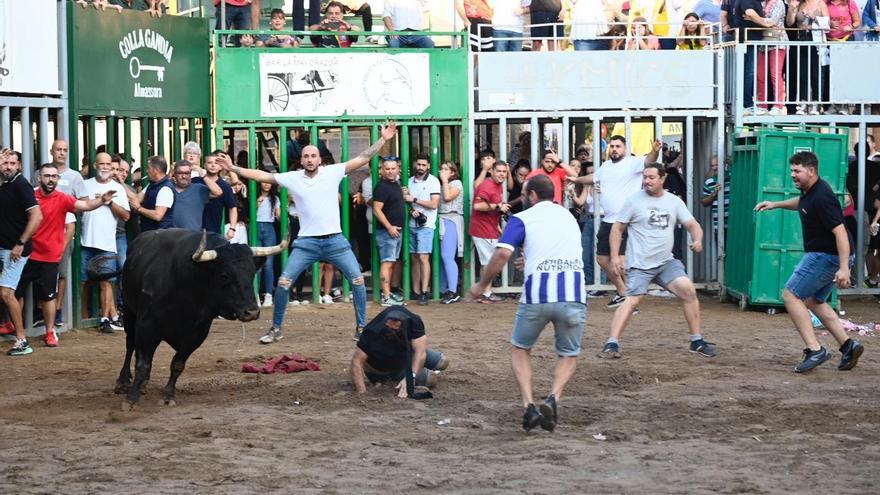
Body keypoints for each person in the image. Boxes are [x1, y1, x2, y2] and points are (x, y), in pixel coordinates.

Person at [219, 122, 398, 344]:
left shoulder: (332, 172)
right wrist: (234, 169)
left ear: (319, 159)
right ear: (301, 160)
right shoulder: (293, 177)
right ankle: (276, 328)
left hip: (335, 240)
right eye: (306, 156)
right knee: (284, 283)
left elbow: (362, 158)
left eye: (314, 156)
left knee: (358, 281)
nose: (310, 159)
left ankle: (361, 328)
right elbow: (262, 176)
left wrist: (383, 140)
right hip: (306, 242)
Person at [467, 175, 587, 432]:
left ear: (532, 195)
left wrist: (481, 284)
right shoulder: (568, 217)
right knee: (569, 352)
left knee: (520, 348)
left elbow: (501, 254)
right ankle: (553, 397)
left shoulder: (522, 218)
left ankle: (529, 404)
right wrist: (529, 258)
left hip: (538, 296)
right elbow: (558, 248)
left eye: (523, 194)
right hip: (573, 294)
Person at [755, 151, 864, 373]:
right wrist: (775, 204)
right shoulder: (810, 192)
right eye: (792, 170)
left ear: (811, 171)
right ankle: (848, 345)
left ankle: (815, 349)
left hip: (826, 255)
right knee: (814, 301)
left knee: (791, 295)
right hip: (827, 255)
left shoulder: (823, 197)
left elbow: (841, 232)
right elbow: (802, 203)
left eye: (797, 171)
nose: (793, 175)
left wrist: (844, 268)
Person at [597, 163, 716, 359]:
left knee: (688, 290)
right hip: (640, 265)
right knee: (632, 300)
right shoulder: (633, 201)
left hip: (665, 262)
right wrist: (616, 255)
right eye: (644, 177)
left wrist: (697, 239)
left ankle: (696, 341)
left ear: (662, 179)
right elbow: (617, 229)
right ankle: (611, 343)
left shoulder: (674, 201)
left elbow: (692, 224)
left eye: (651, 177)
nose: (646, 181)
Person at [17, 163, 116, 347]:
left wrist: (102, 200)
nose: (50, 179)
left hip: (49, 256)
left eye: (54, 176)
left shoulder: (63, 198)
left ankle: (49, 331)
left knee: (48, 297)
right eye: (47, 176)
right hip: (26, 254)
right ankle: (18, 331)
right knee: (15, 293)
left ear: (58, 179)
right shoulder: (30, 195)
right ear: (39, 178)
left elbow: (85, 205)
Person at [568, 136, 661, 309]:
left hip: (625, 221)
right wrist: (576, 180)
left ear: (625, 148)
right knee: (602, 259)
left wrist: (655, 150)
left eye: (618, 146)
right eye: (612, 146)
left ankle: (630, 300)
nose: (614, 149)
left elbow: (649, 161)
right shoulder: (606, 167)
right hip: (607, 220)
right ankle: (623, 293)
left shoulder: (632, 163)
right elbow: (593, 178)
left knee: (621, 262)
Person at [81, 153, 131, 334]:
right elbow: (76, 206)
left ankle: (104, 318)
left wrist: (109, 203)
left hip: (107, 242)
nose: (104, 167)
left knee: (106, 282)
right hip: (85, 240)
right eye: (101, 163)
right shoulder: (85, 185)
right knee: (82, 282)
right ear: (95, 165)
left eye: (108, 164)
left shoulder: (117, 188)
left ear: (112, 166)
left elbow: (126, 215)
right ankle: (83, 317)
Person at [0, 149, 43, 356]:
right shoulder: (4, 183)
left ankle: (22, 340)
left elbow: (37, 216)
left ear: (19, 166)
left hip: (15, 249)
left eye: (12, 163)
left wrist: (20, 243)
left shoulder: (20, 184)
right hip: (3, 248)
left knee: (6, 294)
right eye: (4, 162)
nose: (8, 166)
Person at [351, 307, 449, 398]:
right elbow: (356, 362)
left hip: (405, 355)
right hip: (384, 368)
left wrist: (411, 377)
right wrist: (362, 392)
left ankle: (413, 372)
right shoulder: (371, 332)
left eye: (395, 328)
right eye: (389, 327)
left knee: (443, 361)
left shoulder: (413, 321)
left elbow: (421, 352)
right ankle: (391, 378)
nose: (391, 330)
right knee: (431, 379)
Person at [48, 140, 87, 330]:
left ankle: (57, 310)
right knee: (43, 274)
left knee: (61, 274)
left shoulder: (75, 176)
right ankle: (42, 311)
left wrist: (69, 210)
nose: (61, 153)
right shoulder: (42, 172)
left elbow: (85, 201)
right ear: (51, 151)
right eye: (58, 150)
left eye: (65, 150)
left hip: (65, 232)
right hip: (43, 234)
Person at [469, 161, 510, 303]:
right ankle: (485, 293)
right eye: (498, 171)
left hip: (490, 229)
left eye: (504, 172)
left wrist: (498, 228)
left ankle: (485, 292)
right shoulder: (487, 185)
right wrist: (498, 206)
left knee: (488, 261)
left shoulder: (498, 186)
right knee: (488, 262)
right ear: (491, 171)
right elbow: (478, 206)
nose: (501, 174)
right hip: (482, 229)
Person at [403, 153, 440, 305]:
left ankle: (424, 291)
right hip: (411, 223)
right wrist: (411, 208)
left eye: (423, 165)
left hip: (426, 225)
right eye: (418, 164)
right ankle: (416, 291)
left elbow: (434, 204)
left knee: (423, 257)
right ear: (414, 164)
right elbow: (406, 202)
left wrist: (414, 200)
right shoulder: (409, 181)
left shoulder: (433, 181)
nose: (420, 167)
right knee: (414, 258)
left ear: (428, 166)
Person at [785, 0, 829, 116]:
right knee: (802, 74)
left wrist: (813, 17)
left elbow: (827, 24)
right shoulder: (800, 4)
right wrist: (791, 10)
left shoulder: (820, 4)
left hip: (816, 41)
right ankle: (803, 103)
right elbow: (790, 23)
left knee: (816, 74)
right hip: (801, 40)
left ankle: (816, 104)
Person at [372, 157, 406, 307]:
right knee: (387, 262)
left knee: (391, 262)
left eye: (393, 168)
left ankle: (388, 293)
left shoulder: (395, 184)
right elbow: (376, 210)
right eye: (387, 169)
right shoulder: (382, 187)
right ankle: (386, 297)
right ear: (382, 170)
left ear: (398, 169)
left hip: (396, 231)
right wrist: (389, 227)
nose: (391, 171)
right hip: (388, 232)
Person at [755, 0, 788, 116]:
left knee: (775, 74)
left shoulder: (779, 3)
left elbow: (771, 21)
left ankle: (778, 105)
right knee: (760, 74)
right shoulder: (762, 3)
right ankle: (762, 105)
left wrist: (753, 18)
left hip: (778, 41)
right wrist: (760, 21)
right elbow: (765, 22)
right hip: (763, 42)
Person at [438, 161, 464, 304]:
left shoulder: (457, 183)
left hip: (452, 219)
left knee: (447, 255)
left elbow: (448, 197)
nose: (442, 171)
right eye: (441, 169)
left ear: (453, 172)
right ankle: (442, 289)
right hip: (442, 219)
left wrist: (444, 180)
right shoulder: (441, 184)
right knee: (442, 258)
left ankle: (453, 291)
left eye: (446, 169)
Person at [130, 156, 175, 231]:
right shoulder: (152, 184)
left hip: (159, 236)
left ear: (156, 170)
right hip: (150, 234)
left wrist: (139, 208)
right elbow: (137, 199)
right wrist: (122, 184)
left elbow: (158, 215)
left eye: (149, 168)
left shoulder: (165, 189)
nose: (146, 171)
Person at [200, 151, 238, 239]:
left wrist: (232, 228)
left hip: (214, 231)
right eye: (209, 163)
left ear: (220, 167)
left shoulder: (225, 186)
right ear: (205, 165)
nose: (213, 165)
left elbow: (232, 207)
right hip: (194, 230)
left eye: (216, 163)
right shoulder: (196, 181)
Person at [255, 182, 281, 307]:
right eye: (263, 182)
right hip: (256, 226)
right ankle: (255, 293)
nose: (266, 185)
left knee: (268, 264)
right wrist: (257, 203)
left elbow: (279, 216)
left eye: (268, 183)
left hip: (269, 227)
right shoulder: (255, 196)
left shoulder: (274, 198)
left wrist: (283, 212)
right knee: (256, 265)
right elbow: (250, 212)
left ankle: (268, 294)